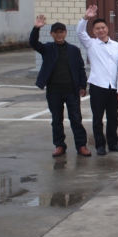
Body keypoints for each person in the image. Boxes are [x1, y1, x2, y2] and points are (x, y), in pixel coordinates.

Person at [31, 15, 91, 157]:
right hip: (54, 91)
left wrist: (83, 86)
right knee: (57, 120)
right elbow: (33, 43)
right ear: (51, 34)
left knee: (76, 119)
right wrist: (36, 28)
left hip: (71, 90)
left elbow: (80, 68)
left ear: (65, 33)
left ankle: (81, 145)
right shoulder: (47, 48)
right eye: (56, 32)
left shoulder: (74, 50)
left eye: (61, 32)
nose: (59, 34)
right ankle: (59, 145)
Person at [77, 5, 118, 155]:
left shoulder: (116, 46)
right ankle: (100, 145)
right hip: (98, 86)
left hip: (113, 86)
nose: (101, 30)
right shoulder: (91, 43)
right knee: (98, 118)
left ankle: (113, 143)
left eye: (103, 28)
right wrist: (86, 17)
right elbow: (79, 32)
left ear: (107, 29)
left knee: (113, 117)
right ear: (93, 31)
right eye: (97, 28)